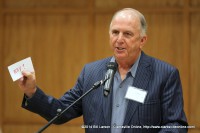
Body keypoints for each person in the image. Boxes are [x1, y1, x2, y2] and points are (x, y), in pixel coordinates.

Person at [18, 8, 188, 133]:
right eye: (115, 32)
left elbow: (176, 125)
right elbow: (60, 112)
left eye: (127, 34)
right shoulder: (91, 73)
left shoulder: (164, 74)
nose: (119, 40)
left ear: (142, 40)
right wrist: (32, 91)